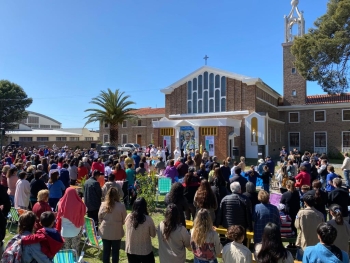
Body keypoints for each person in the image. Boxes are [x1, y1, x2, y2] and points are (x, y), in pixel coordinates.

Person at [98, 187, 127, 263]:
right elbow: (125, 219)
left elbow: (99, 217)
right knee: (115, 252)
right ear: (117, 195)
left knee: (106, 251)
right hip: (116, 232)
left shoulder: (103, 204)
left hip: (105, 231)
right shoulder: (121, 206)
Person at [125, 197, 156, 263]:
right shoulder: (148, 219)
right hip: (145, 250)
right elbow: (153, 234)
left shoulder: (128, 217)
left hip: (131, 250)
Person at [56, 187, 86, 254]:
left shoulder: (60, 203)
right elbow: (85, 210)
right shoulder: (79, 204)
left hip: (64, 231)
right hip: (76, 230)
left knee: (66, 250)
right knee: (75, 249)